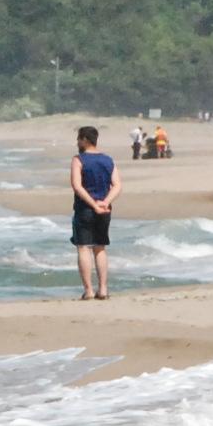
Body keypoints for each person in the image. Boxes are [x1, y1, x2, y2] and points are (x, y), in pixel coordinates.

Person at [69, 124, 121, 299]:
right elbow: (117, 185)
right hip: (104, 210)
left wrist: (93, 204)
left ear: (84, 140)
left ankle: (89, 290)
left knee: (83, 247)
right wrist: (105, 202)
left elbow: (77, 186)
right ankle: (103, 289)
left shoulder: (79, 159)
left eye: (78, 139)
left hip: (85, 209)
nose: (77, 142)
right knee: (100, 248)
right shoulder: (108, 160)